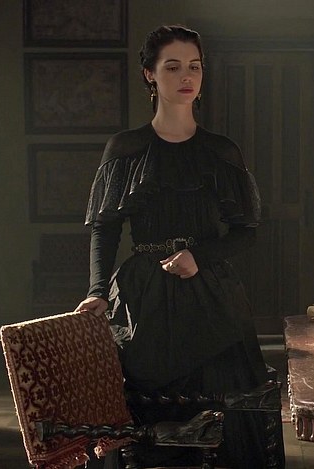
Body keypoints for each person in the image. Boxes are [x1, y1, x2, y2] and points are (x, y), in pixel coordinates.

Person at [75, 24, 272, 468]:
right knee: (144, 421)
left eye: (195, 67)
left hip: (211, 294)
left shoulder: (221, 151)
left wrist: (199, 257)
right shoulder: (126, 148)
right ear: (150, 74)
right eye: (173, 66)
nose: (187, 76)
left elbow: (247, 230)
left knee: (224, 416)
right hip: (144, 294)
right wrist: (97, 291)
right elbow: (105, 229)